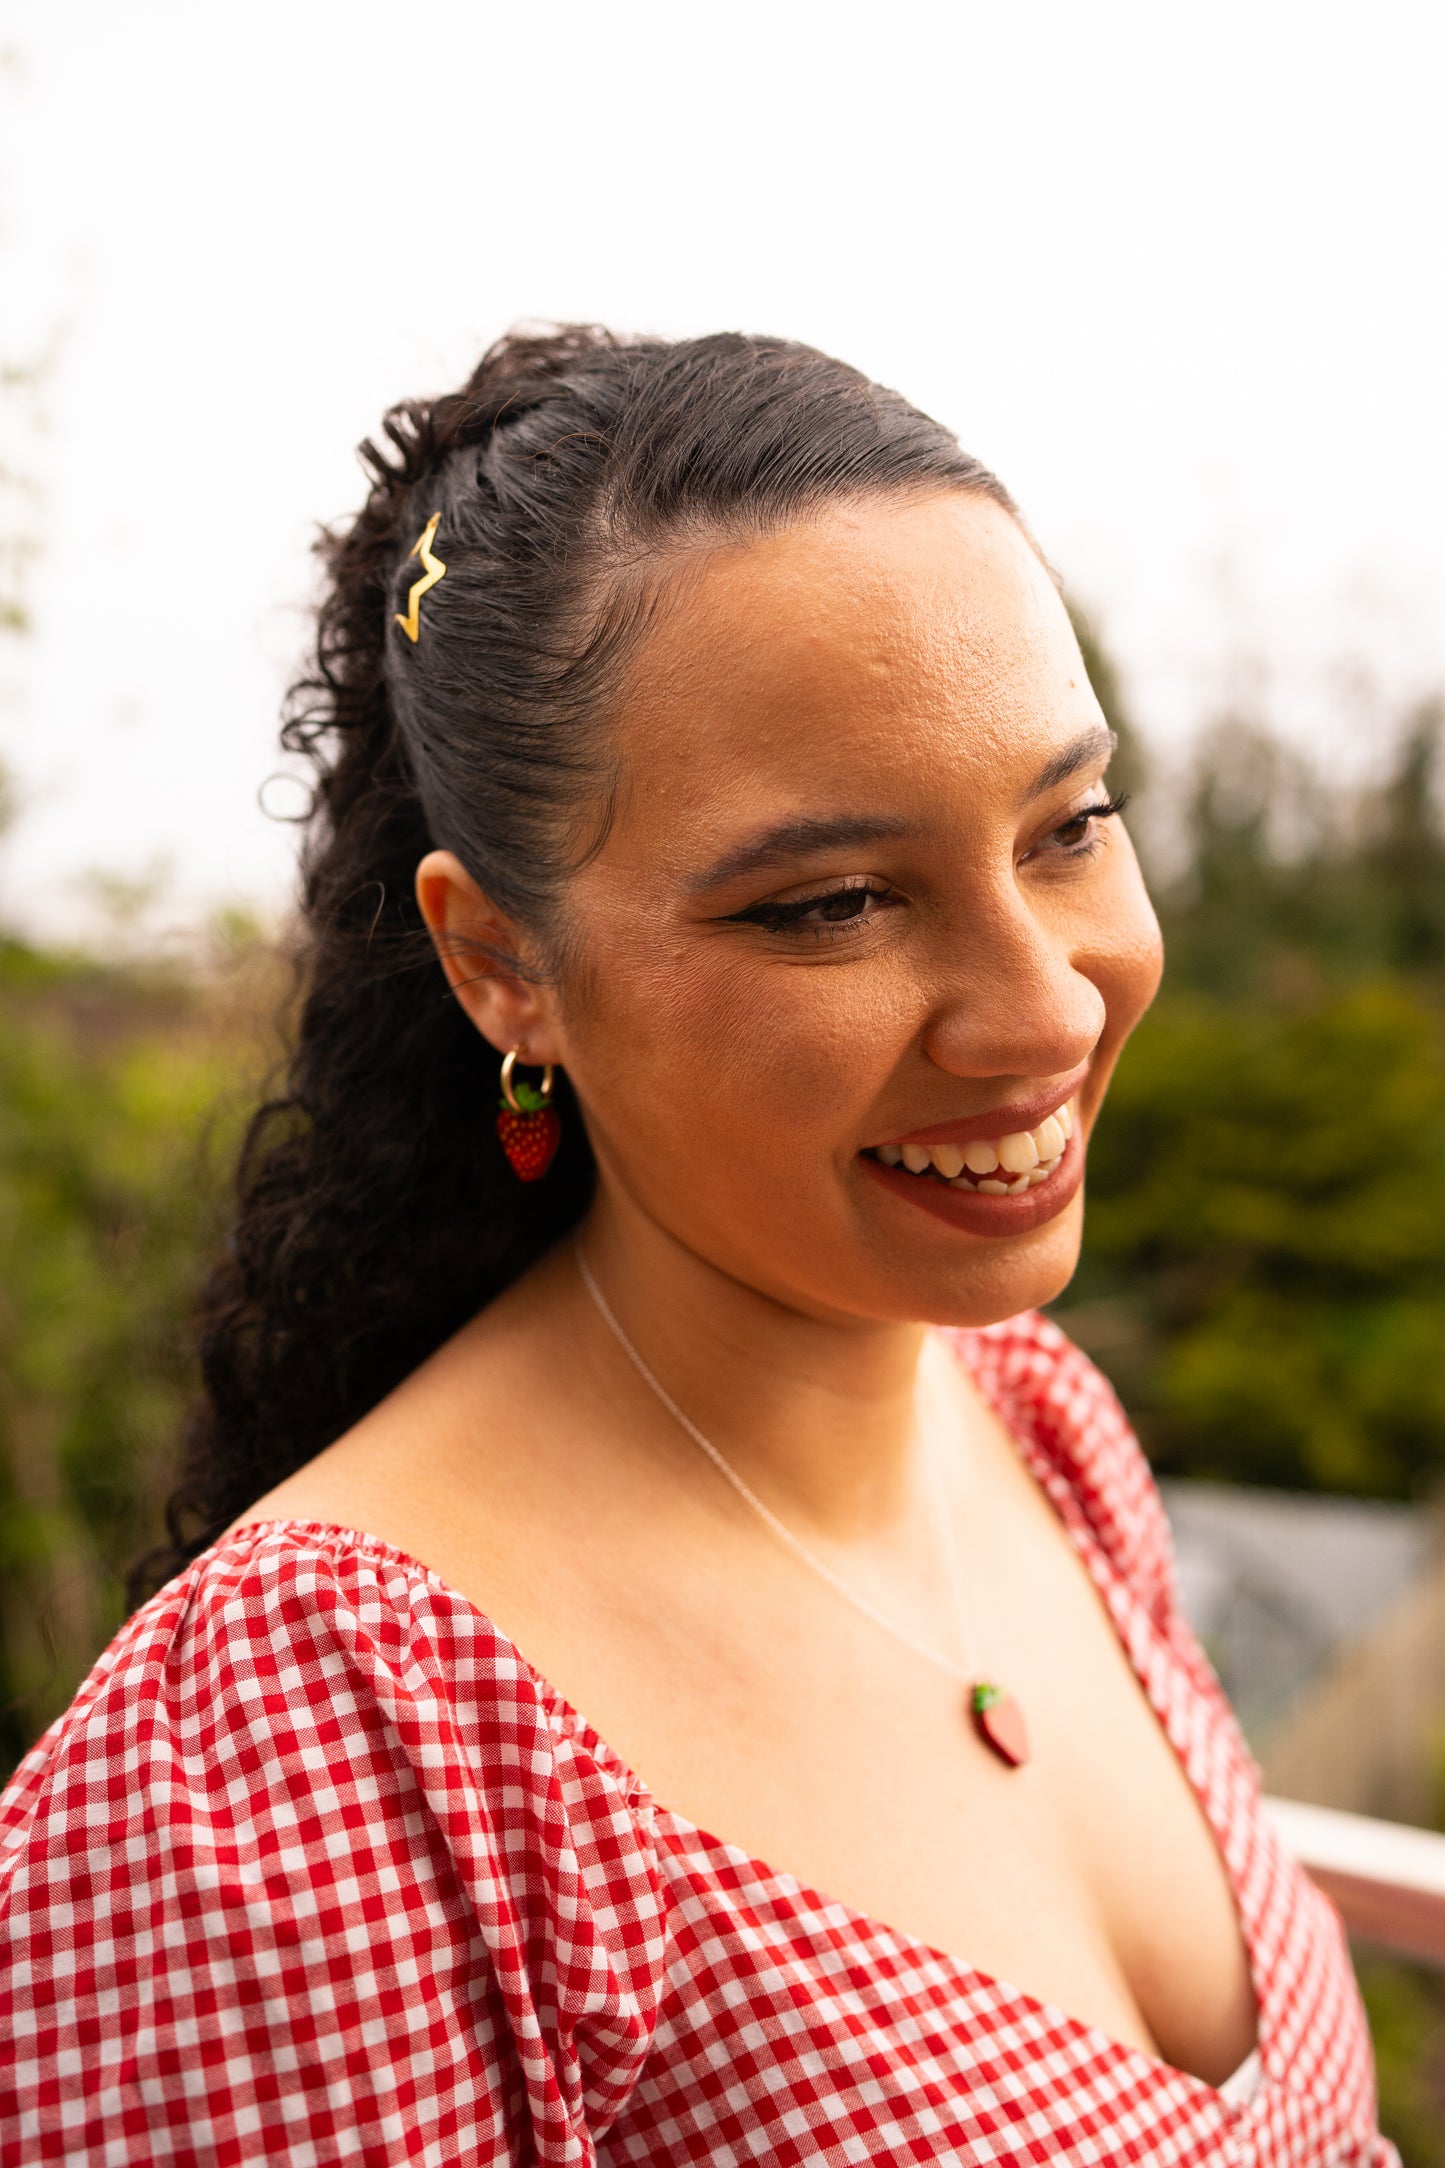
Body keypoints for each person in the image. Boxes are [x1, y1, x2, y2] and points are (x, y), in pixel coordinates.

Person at [0, 328, 1394, 2166]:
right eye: (831, 902)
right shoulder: (308, 1750)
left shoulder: (1032, 1423)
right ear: (502, 959)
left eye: (1070, 826)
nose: (1039, 1008)